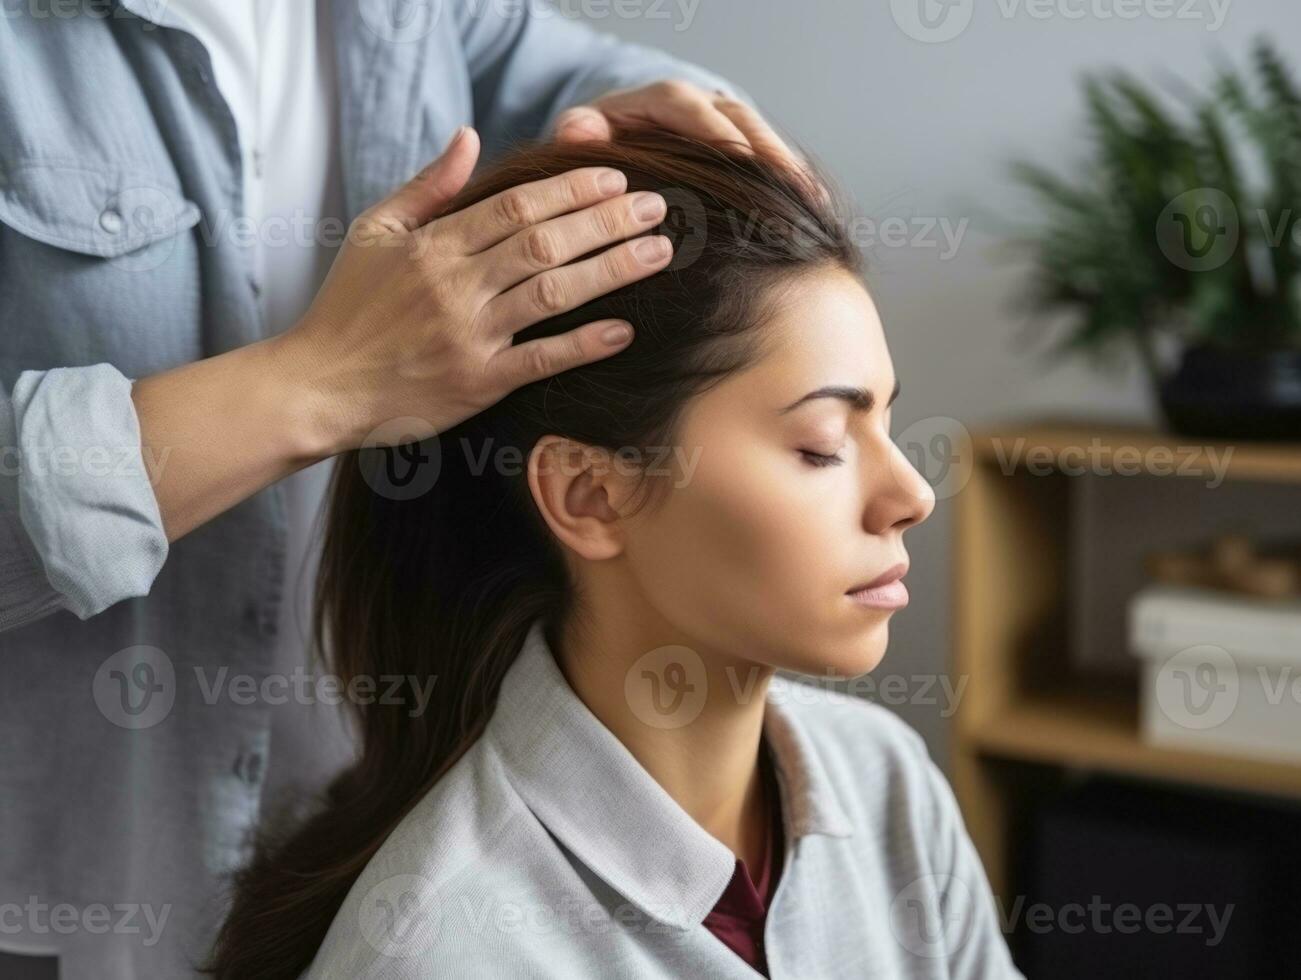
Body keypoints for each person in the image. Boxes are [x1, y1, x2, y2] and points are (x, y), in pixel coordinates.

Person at [0, 2, 810, 977]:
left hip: (363, 815)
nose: (910, 498)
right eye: (816, 444)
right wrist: (323, 381)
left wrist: (646, 122)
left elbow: (561, 69)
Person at [207, 131, 1025, 979]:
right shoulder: (444, 946)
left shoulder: (885, 782)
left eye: (885, 423)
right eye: (821, 445)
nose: (913, 495)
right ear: (590, 496)